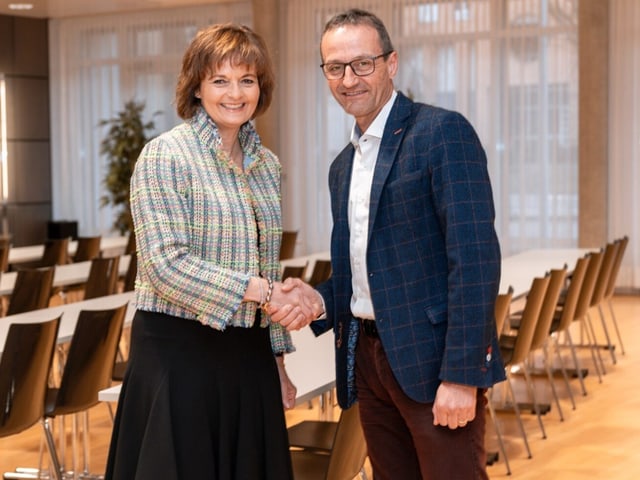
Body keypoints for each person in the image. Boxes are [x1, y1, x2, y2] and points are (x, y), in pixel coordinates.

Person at [105, 23, 320, 480]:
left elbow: (268, 266)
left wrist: (277, 362)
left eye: (247, 79)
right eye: (220, 80)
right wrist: (260, 292)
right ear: (196, 87)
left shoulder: (266, 165)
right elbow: (166, 266)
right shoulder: (165, 156)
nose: (235, 93)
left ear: (261, 87)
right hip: (178, 355)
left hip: (248, 357)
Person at [307, 8, 505, 479]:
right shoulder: (342, 167)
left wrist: (461, 375)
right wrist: (314, 299)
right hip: (369, 362)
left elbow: (474, 260)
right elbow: (363, 274)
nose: (348, 79)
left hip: (434, 365)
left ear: (391, 63)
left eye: (362, 64)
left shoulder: (440, 133)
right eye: (335, 67)